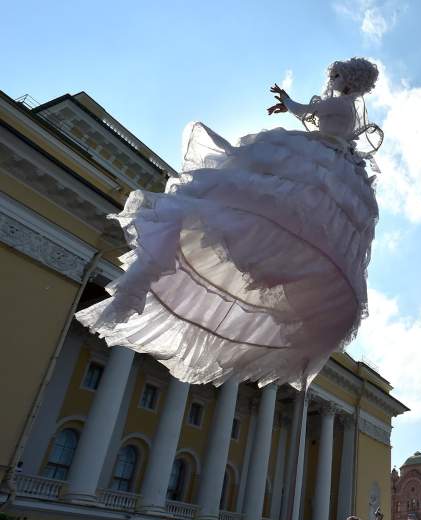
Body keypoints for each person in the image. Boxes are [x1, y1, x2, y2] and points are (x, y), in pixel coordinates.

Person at [75, 57, 382, 388]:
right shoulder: (348, 108)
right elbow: (316, 116)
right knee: (293, 214)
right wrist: (291, 106)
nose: (332, 80)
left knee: (269, 201)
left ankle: (260, 247)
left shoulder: (338, 104)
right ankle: (274, 255)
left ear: (347, 80)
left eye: (336, 76)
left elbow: (306, 111)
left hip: (323, 159)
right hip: (336, 165)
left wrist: (286, 101)